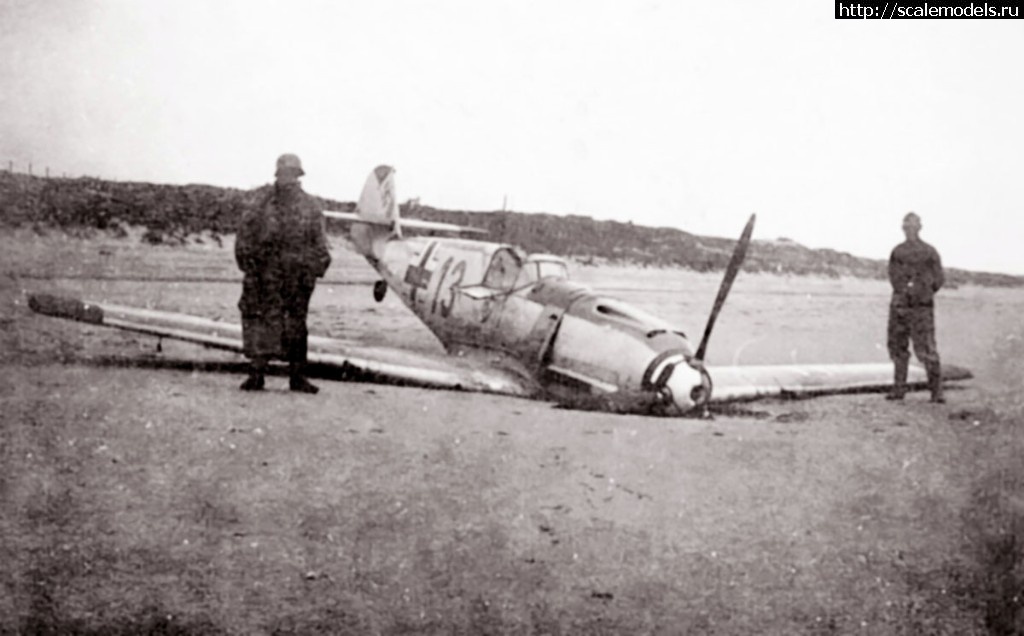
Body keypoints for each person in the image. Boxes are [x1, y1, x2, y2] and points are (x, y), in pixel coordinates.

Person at [235, 153, 331, 393]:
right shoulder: (261, 202)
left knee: (296, 326)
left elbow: (319, 241)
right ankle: (256, 374)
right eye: (285, 174)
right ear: (279, 174)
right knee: (262, 322)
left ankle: (297, 377)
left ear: (298, 176)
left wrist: (315, 268)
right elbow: (244, 236)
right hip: (265, 275)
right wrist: (249, 266)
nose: (289, 179)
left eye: (293, 174)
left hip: (297, 276)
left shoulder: (310, 205)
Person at [886, 212, 945, 403]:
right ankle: (898, 389)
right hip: (900, 306)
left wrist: (923, 294)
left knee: (926, 349)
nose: (909, 229)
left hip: (921, 308)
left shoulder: (929, 252)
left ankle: (936, 392)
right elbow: (893, 277)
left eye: (912, 226)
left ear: (919, 228)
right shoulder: (897, 251)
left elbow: (938, 279)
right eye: (906, 226)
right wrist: (904, 293)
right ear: (903, 228)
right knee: (897, 347)